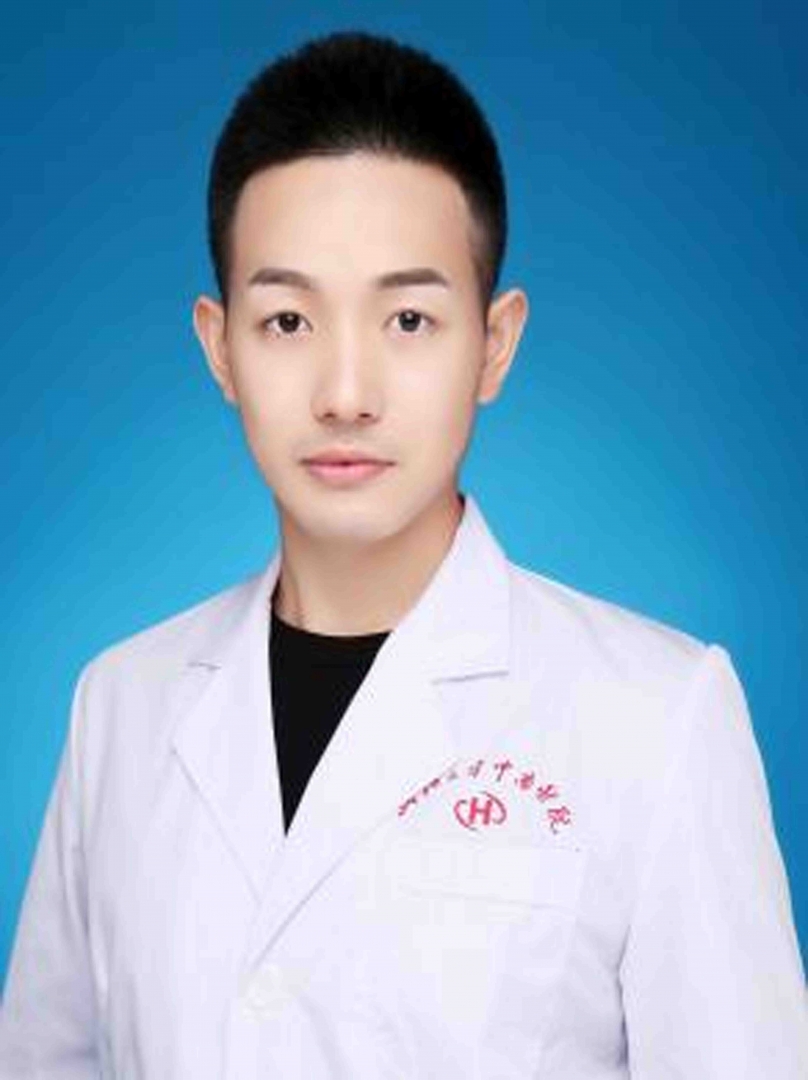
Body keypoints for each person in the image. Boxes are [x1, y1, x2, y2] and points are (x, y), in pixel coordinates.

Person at [0, 29, 805, 1079]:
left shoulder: (657, 716)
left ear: (494, 344)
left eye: (410, 320)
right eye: (288, 320)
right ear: (218, 346)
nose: (346, 393)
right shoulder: (120, 704)